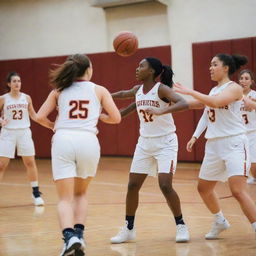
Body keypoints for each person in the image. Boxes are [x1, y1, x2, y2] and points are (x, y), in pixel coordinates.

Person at [36, 54, 121, 256]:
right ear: (89, 70)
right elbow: (116, 118)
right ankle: (80, 236)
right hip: (88, 141)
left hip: (64, 139)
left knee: (64, 198)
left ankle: (69, 237)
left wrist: (54, 126)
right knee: (80, 193)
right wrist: (98, 116)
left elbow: (39, 116)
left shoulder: (59, 90)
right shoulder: (99, 90)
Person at [174, 53, 256, 239]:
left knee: (237, 190)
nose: (210, 68)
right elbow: (201, 106)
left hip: (234, 142)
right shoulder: (212, 91)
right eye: (210, 65)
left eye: (214, 64)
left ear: (225, 68)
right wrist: (167, 104)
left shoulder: (234, 88)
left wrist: (189, 91)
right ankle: (219, 220)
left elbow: (215, 102)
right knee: (203, 188)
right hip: (214, 145)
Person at [110, 57, 190, 244]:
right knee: (132, 186)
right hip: (144, 143)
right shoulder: (138, 91)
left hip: (166, 143)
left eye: (141, 66)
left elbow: (183, 103)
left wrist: (162, 111)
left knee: (165, 185)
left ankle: (181, 225)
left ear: (152, 71)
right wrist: (103, 98)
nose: (137, 69)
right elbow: (123, 95)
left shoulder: (161, 89)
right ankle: (129, 228)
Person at [0, 72, 44, 206]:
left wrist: (51, 124)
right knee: (1, 165)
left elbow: (35, 116)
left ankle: (36, 193)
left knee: (30, 162)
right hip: (8, 133)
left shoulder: (27, 98)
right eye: (14, 81)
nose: (17, 83)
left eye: (19, 81)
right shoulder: (3, 98)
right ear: (9, 84)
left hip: (24, 132)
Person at [239, 69, 256, 184]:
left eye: (246, 78)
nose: (243, 81)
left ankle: (254, 177)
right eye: (241, 78)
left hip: (253, 132)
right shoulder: (234, 96)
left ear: (251, 82)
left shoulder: (254, 95)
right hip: (239, 133)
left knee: (253, 160)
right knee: (242, 160)